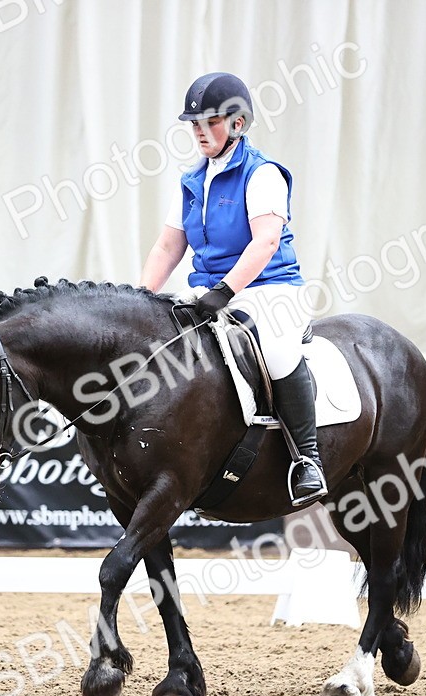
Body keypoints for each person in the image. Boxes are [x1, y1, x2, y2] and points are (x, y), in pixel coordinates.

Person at [138, 71, 326, 504]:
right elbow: (168, 246)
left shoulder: (263, 176)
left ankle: (307, 458)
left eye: (210, 122)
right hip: (207, 291)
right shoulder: (190, 181)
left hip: (268, 288)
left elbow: (266, 241)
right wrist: (143, 295)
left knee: (276, 351)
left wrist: (224, 291)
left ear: (237, 124)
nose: (200, 132)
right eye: (194, 124)